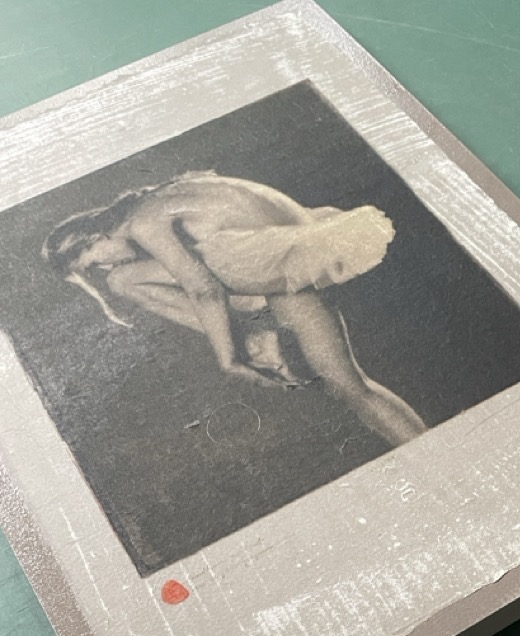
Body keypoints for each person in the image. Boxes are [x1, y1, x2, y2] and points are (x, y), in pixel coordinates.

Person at [42, 171, 427, 447]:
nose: (107, 267)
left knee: (123, 282)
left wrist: (228, 358)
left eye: (95, 263)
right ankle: (432, 454)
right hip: (291, 254)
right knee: (353, 390)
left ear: (93, 237)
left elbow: (204, 289)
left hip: (281, 258)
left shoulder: (143, 223)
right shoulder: (162, 196)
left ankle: (254, 340)